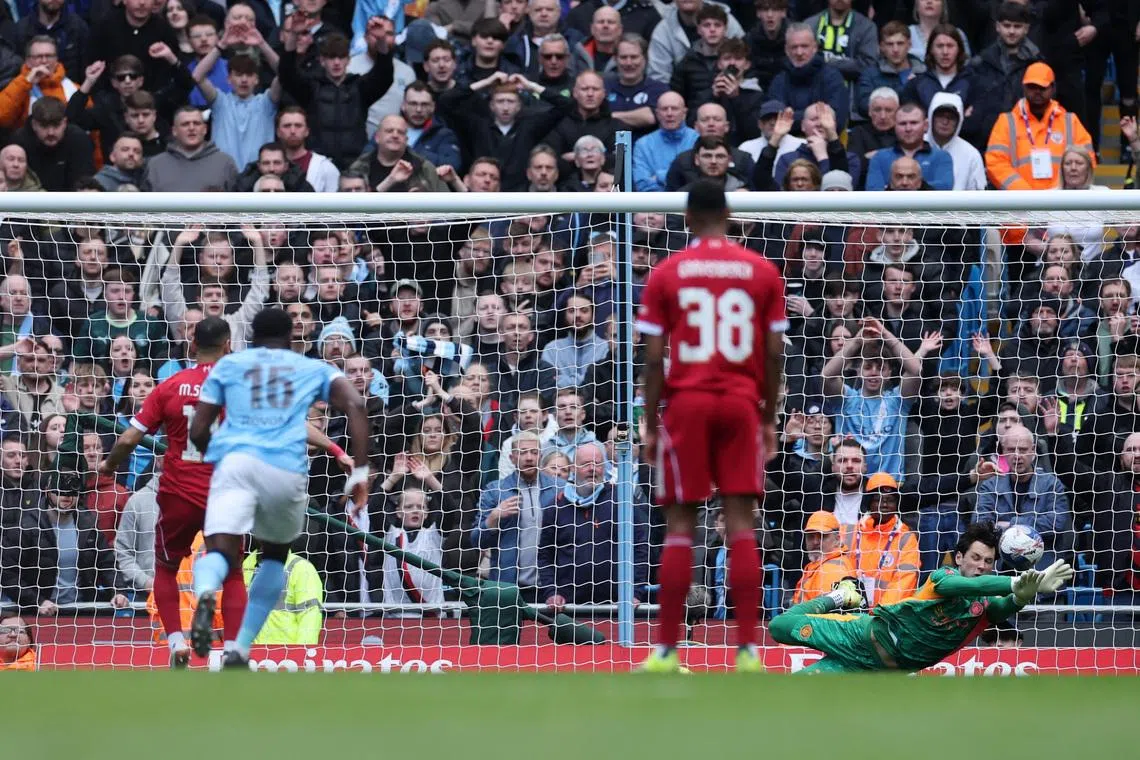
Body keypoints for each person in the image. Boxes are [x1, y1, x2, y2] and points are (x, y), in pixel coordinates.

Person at [636, 180, 786, 673]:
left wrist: (650, 420)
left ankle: (666, 653)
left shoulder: (667, 273)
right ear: (729, 214)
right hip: (741, 403)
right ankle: (747, 651)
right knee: (741, 525)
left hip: (688, 404)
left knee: (681, 526)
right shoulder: (761, 271)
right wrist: (767, 417)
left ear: (685, 217)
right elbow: (773, 352)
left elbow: (655, 356)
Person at [186, 307, 370, 668]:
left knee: (220, 551)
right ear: (290, 338)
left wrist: (216, 456)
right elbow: (356, 404)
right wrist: (359, 472)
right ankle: (240, 648)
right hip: (285, 471)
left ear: (251, 336)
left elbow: (197, 429)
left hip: (235, 464)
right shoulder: (312, 368)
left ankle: (207, 592)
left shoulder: (228, 367)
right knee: (273, 558)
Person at [768, 523, 1075, 673]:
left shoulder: (985, 607)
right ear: (958, 558)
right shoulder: (941, 578)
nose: (981, 566)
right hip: (860, 636)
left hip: (877, 672)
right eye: (976, 558)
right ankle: (842, 595)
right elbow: (966, 587)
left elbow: (1003, 606)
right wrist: (1013, 582)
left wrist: (1022, 595)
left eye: (988, 562)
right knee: (780, 626)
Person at [985, 63, 1094, 192]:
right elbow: (995, 163)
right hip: (1019, 204)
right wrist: (1024, 193)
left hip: (1062, 203)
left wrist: (1057, 191)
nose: (1037, 92)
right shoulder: (1006, 122)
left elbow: (1087, 159)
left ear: (1053, 88)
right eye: (1032, 87)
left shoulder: (1070, 121)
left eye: (1042, 87)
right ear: (1024, 88)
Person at [241, 543, 323, 644]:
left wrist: (302, 654)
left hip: (287, 654)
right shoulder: (243, 569)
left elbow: (310, 616)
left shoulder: (301, 568)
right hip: (251, 654)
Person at [792, 509, 856, 605]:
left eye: (822, 536)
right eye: (810, 536)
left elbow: (827, 616)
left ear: (837, 539)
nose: (815, 542)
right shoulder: (820, 563)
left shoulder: (832, 570)